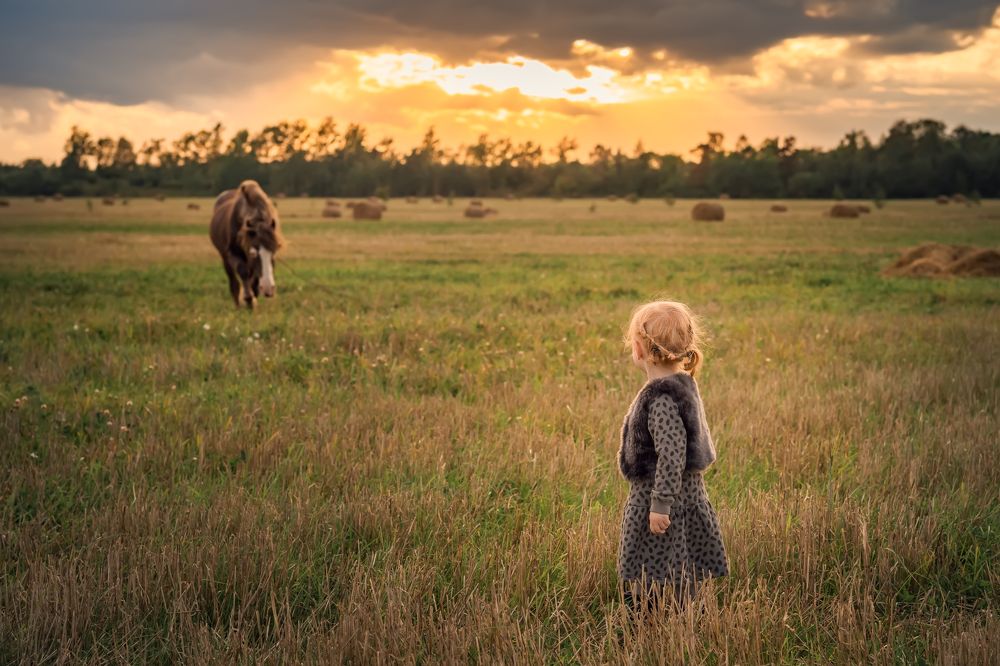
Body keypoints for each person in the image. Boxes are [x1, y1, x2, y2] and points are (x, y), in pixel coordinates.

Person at [617, 300, 728, 612]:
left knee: (656, 559)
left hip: (663, 496)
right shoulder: (682, 384)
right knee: (680, 557)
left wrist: (660, 504)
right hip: (685, 495)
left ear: (639, 350)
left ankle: (654, 616)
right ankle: (682, 614)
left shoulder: (662, 398)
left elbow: (672, 454)